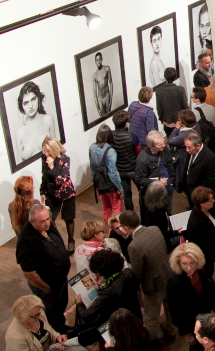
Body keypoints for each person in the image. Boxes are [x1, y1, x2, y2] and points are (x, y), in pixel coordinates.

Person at [120, 210, 178, 342]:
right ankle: (171, 328)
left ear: (125, 227)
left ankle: (156, 339)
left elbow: (137, 273)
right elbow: (164, 249)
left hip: (153, 285)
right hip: (168, 274)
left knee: (152, 316)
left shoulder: (134, 246)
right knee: (170, 307)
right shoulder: (155, 229)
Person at [167, 242, 215, 351]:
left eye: (191, 263)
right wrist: (186, 332)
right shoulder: (174, 282)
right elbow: (175, 310)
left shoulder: (203, 272)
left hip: (208, 319)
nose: (188, 267)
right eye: (184, 264)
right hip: (192, 325)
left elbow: (211, 293)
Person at [16, 203, 71, 333]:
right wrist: (46, 288)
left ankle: (61, 325)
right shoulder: (27, 242)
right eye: (42, 221)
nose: (47, 223)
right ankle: (59, 334)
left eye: (48, 219)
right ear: (32, 221)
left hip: (59, 279)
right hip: (47, 285)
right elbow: (29, 274)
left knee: (61, 305)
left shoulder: (46, 226)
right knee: (52, 312)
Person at [74, 249, 141, 337]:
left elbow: (86, 315)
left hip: (120, 325)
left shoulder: (108, 292)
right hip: (135, 314)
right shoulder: (128, 273)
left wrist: (79, 303)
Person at [39, 137, 76, 251]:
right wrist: (42, 191)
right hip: (51, 193)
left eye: (48, 151)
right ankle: (57, 241)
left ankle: (71, 240)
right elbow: (44, 175)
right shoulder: (44, 158)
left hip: (66, 193)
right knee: (50, 219)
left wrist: (52, 168)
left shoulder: (65, 159)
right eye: (44, 151)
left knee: (68, 218)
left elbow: (61, 180)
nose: (46, 153)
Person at [134, 130, 174, 219]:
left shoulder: (164, 150)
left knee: (168, 212)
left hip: (168, 190)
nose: (163, 145)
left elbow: (170, 164)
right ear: (151, 147)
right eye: (160, 144)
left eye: (163, 143)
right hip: (154, 195)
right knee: (157, 216)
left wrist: (172, 181)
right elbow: (139, 179)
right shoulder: (142, 159)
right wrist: (158, 182)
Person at [89, 124, 125, 225]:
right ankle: (115, 231)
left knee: (106, 209)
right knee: (117, 210)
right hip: (111, 185)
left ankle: (110, 230)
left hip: (100, 184)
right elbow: (113, 173)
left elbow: (92, 167)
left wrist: (95, 183)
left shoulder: (92, 147)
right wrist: (120, 188)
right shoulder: (111, 152)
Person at [15, 81, 57, 162]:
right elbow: (20, 163)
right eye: (26, 103)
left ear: (38, 99)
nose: (31, 106)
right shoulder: (19, 132)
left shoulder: (48, 119)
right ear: (22, 107)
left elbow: (57, 151)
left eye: (33, 99)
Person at [185, 186, 215, 278]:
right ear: (201, 204)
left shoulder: (210, 210)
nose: (213, 201)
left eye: (213, 198)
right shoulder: (196, 222)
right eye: (210, 200)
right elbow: (197, 246)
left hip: (212, 253)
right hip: (205, 258)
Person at [110, 111, 139, 212]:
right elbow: (138, 152)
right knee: (142, 191)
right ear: (126, 122)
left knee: (127, 195)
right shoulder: (132, 136)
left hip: (120, 170)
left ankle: (130, 215)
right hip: (133, 168)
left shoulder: (110, 136)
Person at [143, 181, 181, 251]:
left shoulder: (148, 205)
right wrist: (175, 233)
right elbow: (160, 233)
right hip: (163, 243)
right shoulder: (159, 213)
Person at [156, 67, 189, 137]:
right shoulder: (180, 89)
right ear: (175, 77)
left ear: (165, 77)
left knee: (170, 140)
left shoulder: (159, 91)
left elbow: (159, 108)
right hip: (179, 121)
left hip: (167, 121)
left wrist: (161, 119)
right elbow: (185, 106)